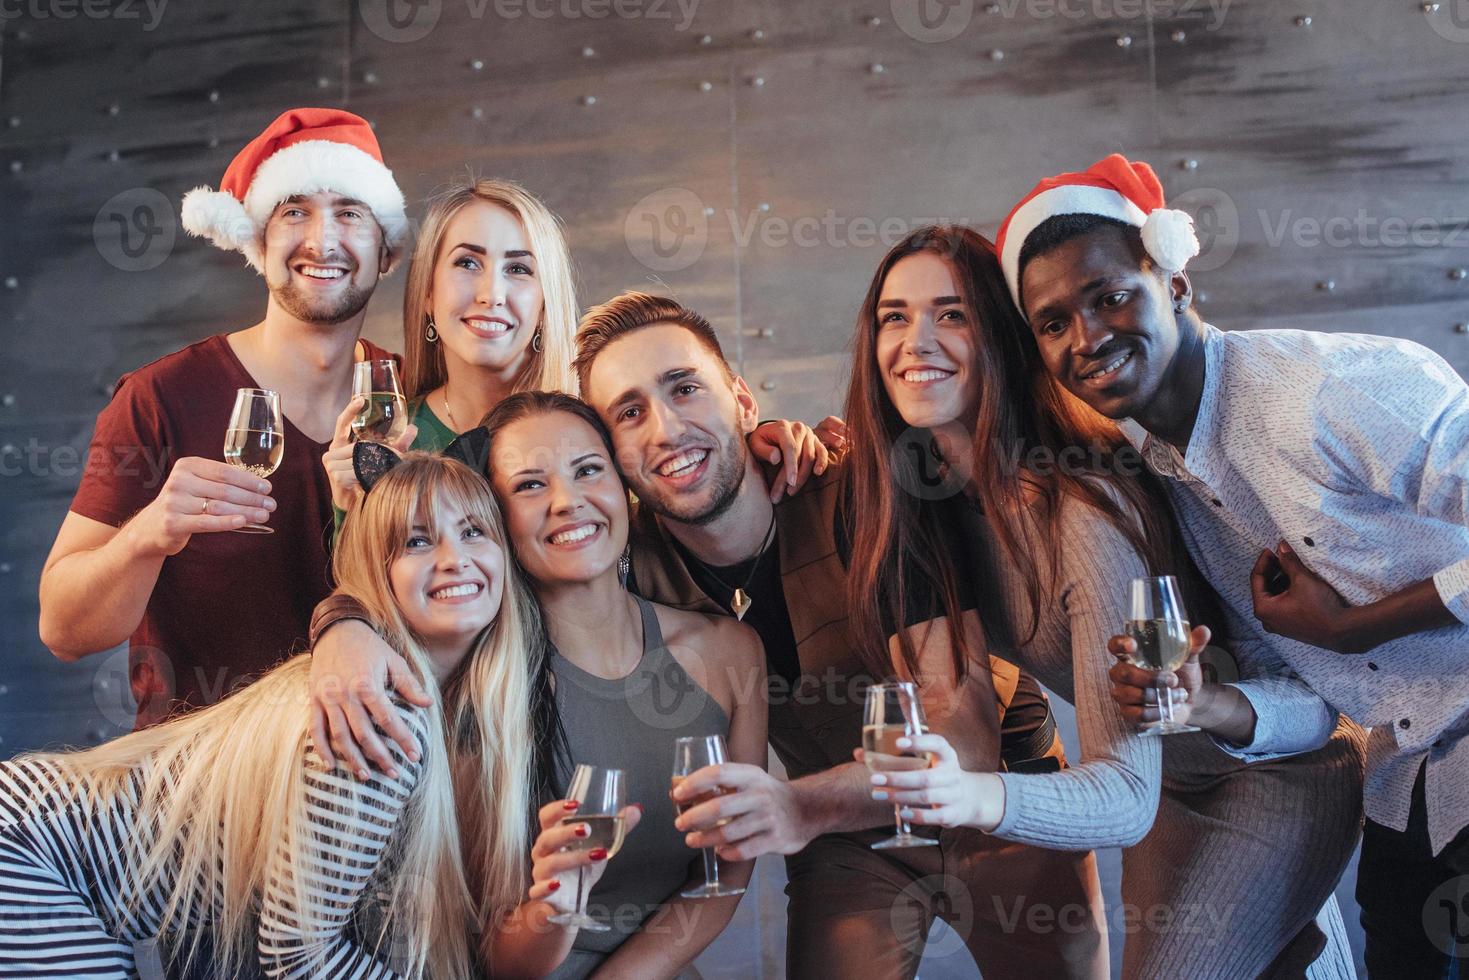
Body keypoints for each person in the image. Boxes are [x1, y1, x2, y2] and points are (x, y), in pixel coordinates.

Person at [848, 225, 1365, 979]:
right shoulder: (928, 508)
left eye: (950, 314)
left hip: (1275, 772)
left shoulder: (1076, 507)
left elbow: (1119, 798)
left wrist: (961, 793)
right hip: (1172, 782)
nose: (914, 340)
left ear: (1002, 335)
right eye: (894, 316)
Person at [997, 153, 1469, 977]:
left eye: (1109, 297)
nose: (1088, 337)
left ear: (1174, 283)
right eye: (1053, 323)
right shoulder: (1152, 487)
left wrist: (1352, 626)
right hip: (1405, 779)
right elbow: (1317, 713)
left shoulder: (1328, 391)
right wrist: (1207, 702)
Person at [572, 293, 1098, 979]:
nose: (665, 428)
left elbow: (961, 740)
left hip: (1005, 805)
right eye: (629, 412)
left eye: (684, 389)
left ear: (740, 400)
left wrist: (796, 805)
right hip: (845, 833)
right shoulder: (626, 565)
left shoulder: (863, 495)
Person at [2, 453, 632, 978]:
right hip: (28, 849)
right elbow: (299, 958)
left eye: (474, 532)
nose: (453, 559)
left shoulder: (427, 706)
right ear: (380, 577)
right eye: (417, 541)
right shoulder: (379, 709)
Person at [313, 392, 768, 978]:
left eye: (587, 471)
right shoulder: (473, 687)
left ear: (625, 485)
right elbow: (497, 958)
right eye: (529, 486)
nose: (566, 502)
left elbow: (723, 877)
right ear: (493, 519)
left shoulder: (732, 651)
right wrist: (557, 903)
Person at [38, 108, 403, 727]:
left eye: (350, 212)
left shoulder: (411, 398)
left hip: (376, 793)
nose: (322, 240)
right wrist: (150, 533)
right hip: (195, 795)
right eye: (293, 211)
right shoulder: (160, 397)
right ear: (259, 240)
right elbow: (64, 629)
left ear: (386, 248)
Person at [320, 178, 825, 525]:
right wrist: (352, 505)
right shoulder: (387, 440)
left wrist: (761, 442)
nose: (491, 293)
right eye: (467, 264)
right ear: (427, 293)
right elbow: (365, 609)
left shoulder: (601, 425)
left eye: (519, 269)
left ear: (545, 302)